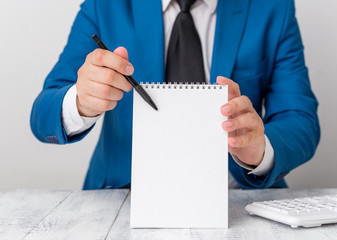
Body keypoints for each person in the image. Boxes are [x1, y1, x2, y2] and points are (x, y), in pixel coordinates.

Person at [30, 0, 320, 190]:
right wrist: (80, 101)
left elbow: (300, 118)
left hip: (238, 198)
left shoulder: (272, 8)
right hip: (122, 197)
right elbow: (43, 115)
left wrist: (260, 150)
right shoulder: (105, 5)